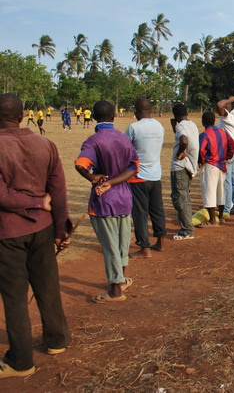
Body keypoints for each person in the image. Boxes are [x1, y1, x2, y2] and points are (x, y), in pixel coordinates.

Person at [0, 94, 71, 378]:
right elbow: (60, 191)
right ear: (22, 116)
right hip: (41, 229)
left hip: (8, 233)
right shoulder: (46, 144)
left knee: (15, 297)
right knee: (47, 286)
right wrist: (60, 229)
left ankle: (21, 361)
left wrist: (41, 208)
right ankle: (57, 340)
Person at [75, 100, 139, 303]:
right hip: (124, 197)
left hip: (104, 201)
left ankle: (115, 291)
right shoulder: (124, 138)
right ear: (113, 117)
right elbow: (133, 167)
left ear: (93, 116)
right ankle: (121, 280)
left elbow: (80, 164)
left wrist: (93, 178)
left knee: (110, 246)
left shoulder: (93, 141)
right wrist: (113, 182)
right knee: (122, 243)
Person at [125, 98, 166, 257]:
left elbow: (125, 151)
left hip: (138, 177)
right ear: (151, 109)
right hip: (155, 176)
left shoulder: (134, 128)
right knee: (157, 210)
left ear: (136, 110)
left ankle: (144, 248)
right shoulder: (159, 126)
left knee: (140, 213)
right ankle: (161, 242)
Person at [198, 111, 234, 227]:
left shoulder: (204, 135)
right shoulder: (223, 133)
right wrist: (227, 156)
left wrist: (200, 161)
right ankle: (220, 217)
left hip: (210, 165)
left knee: (209, 192)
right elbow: (232, 144)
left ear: (203, 122)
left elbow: (201, 150)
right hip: (221, 164)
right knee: (221, 192)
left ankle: (212, 221)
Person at [169, 103, 199, 240]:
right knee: (184, 197)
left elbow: (184, 140)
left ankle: (186, 230)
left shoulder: (181, 126)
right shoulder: (192, 124)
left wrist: (180, 152)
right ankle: (187, 226)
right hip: (189, 167)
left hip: (180, 166)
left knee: (179, 198)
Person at [216, 96, 234, 215]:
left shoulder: (227, 117)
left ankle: (226, 209)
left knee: (227, 182)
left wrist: (229, 100)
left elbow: (219, 105)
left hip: (228, 153)